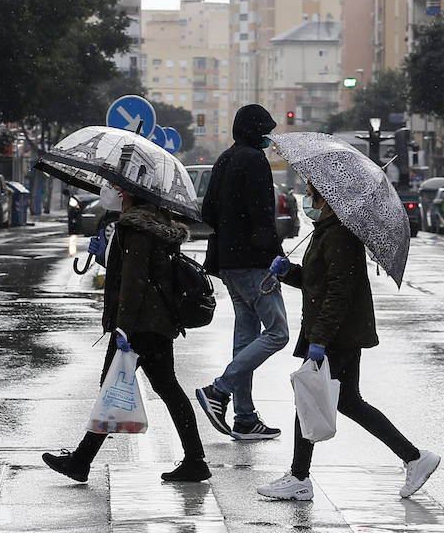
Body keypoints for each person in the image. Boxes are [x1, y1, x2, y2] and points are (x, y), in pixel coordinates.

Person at [256, 181, 440, 502]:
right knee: (348, 401)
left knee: (308, 398)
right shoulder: (326, 229)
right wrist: (288, 272)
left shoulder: (340, 234)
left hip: (337, 334)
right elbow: (318, 283)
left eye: (312, 193)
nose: (308, 199)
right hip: (339, 332)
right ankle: (413, 457)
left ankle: (300, 477)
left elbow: (339, 293)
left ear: (327, 199)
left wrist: (320, 341)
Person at [43, 183, 210, 484]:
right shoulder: (159, 224)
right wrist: (105, 256)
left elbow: (134, 283)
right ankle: (195, 460)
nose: (114, 194)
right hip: (157, 322)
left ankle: (81, 461)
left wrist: (122, 328)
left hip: (139, 325)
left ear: (130, 194)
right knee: (165, 389)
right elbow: (146, 269)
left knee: (114, 388)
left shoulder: (133, 228)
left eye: (120, 190)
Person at [194, 104, 289, 441]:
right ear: (253, 130)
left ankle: (245, 418)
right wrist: (276, 257)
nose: (267, 137)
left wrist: (230, 233)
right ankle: (218, 390)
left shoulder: (224, 159)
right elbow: (262, 215)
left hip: (227, 263)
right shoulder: (255, 161)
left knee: (246, 338)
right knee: (278, 332)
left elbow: (207, 211)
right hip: (253, 263)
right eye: (264, 130)